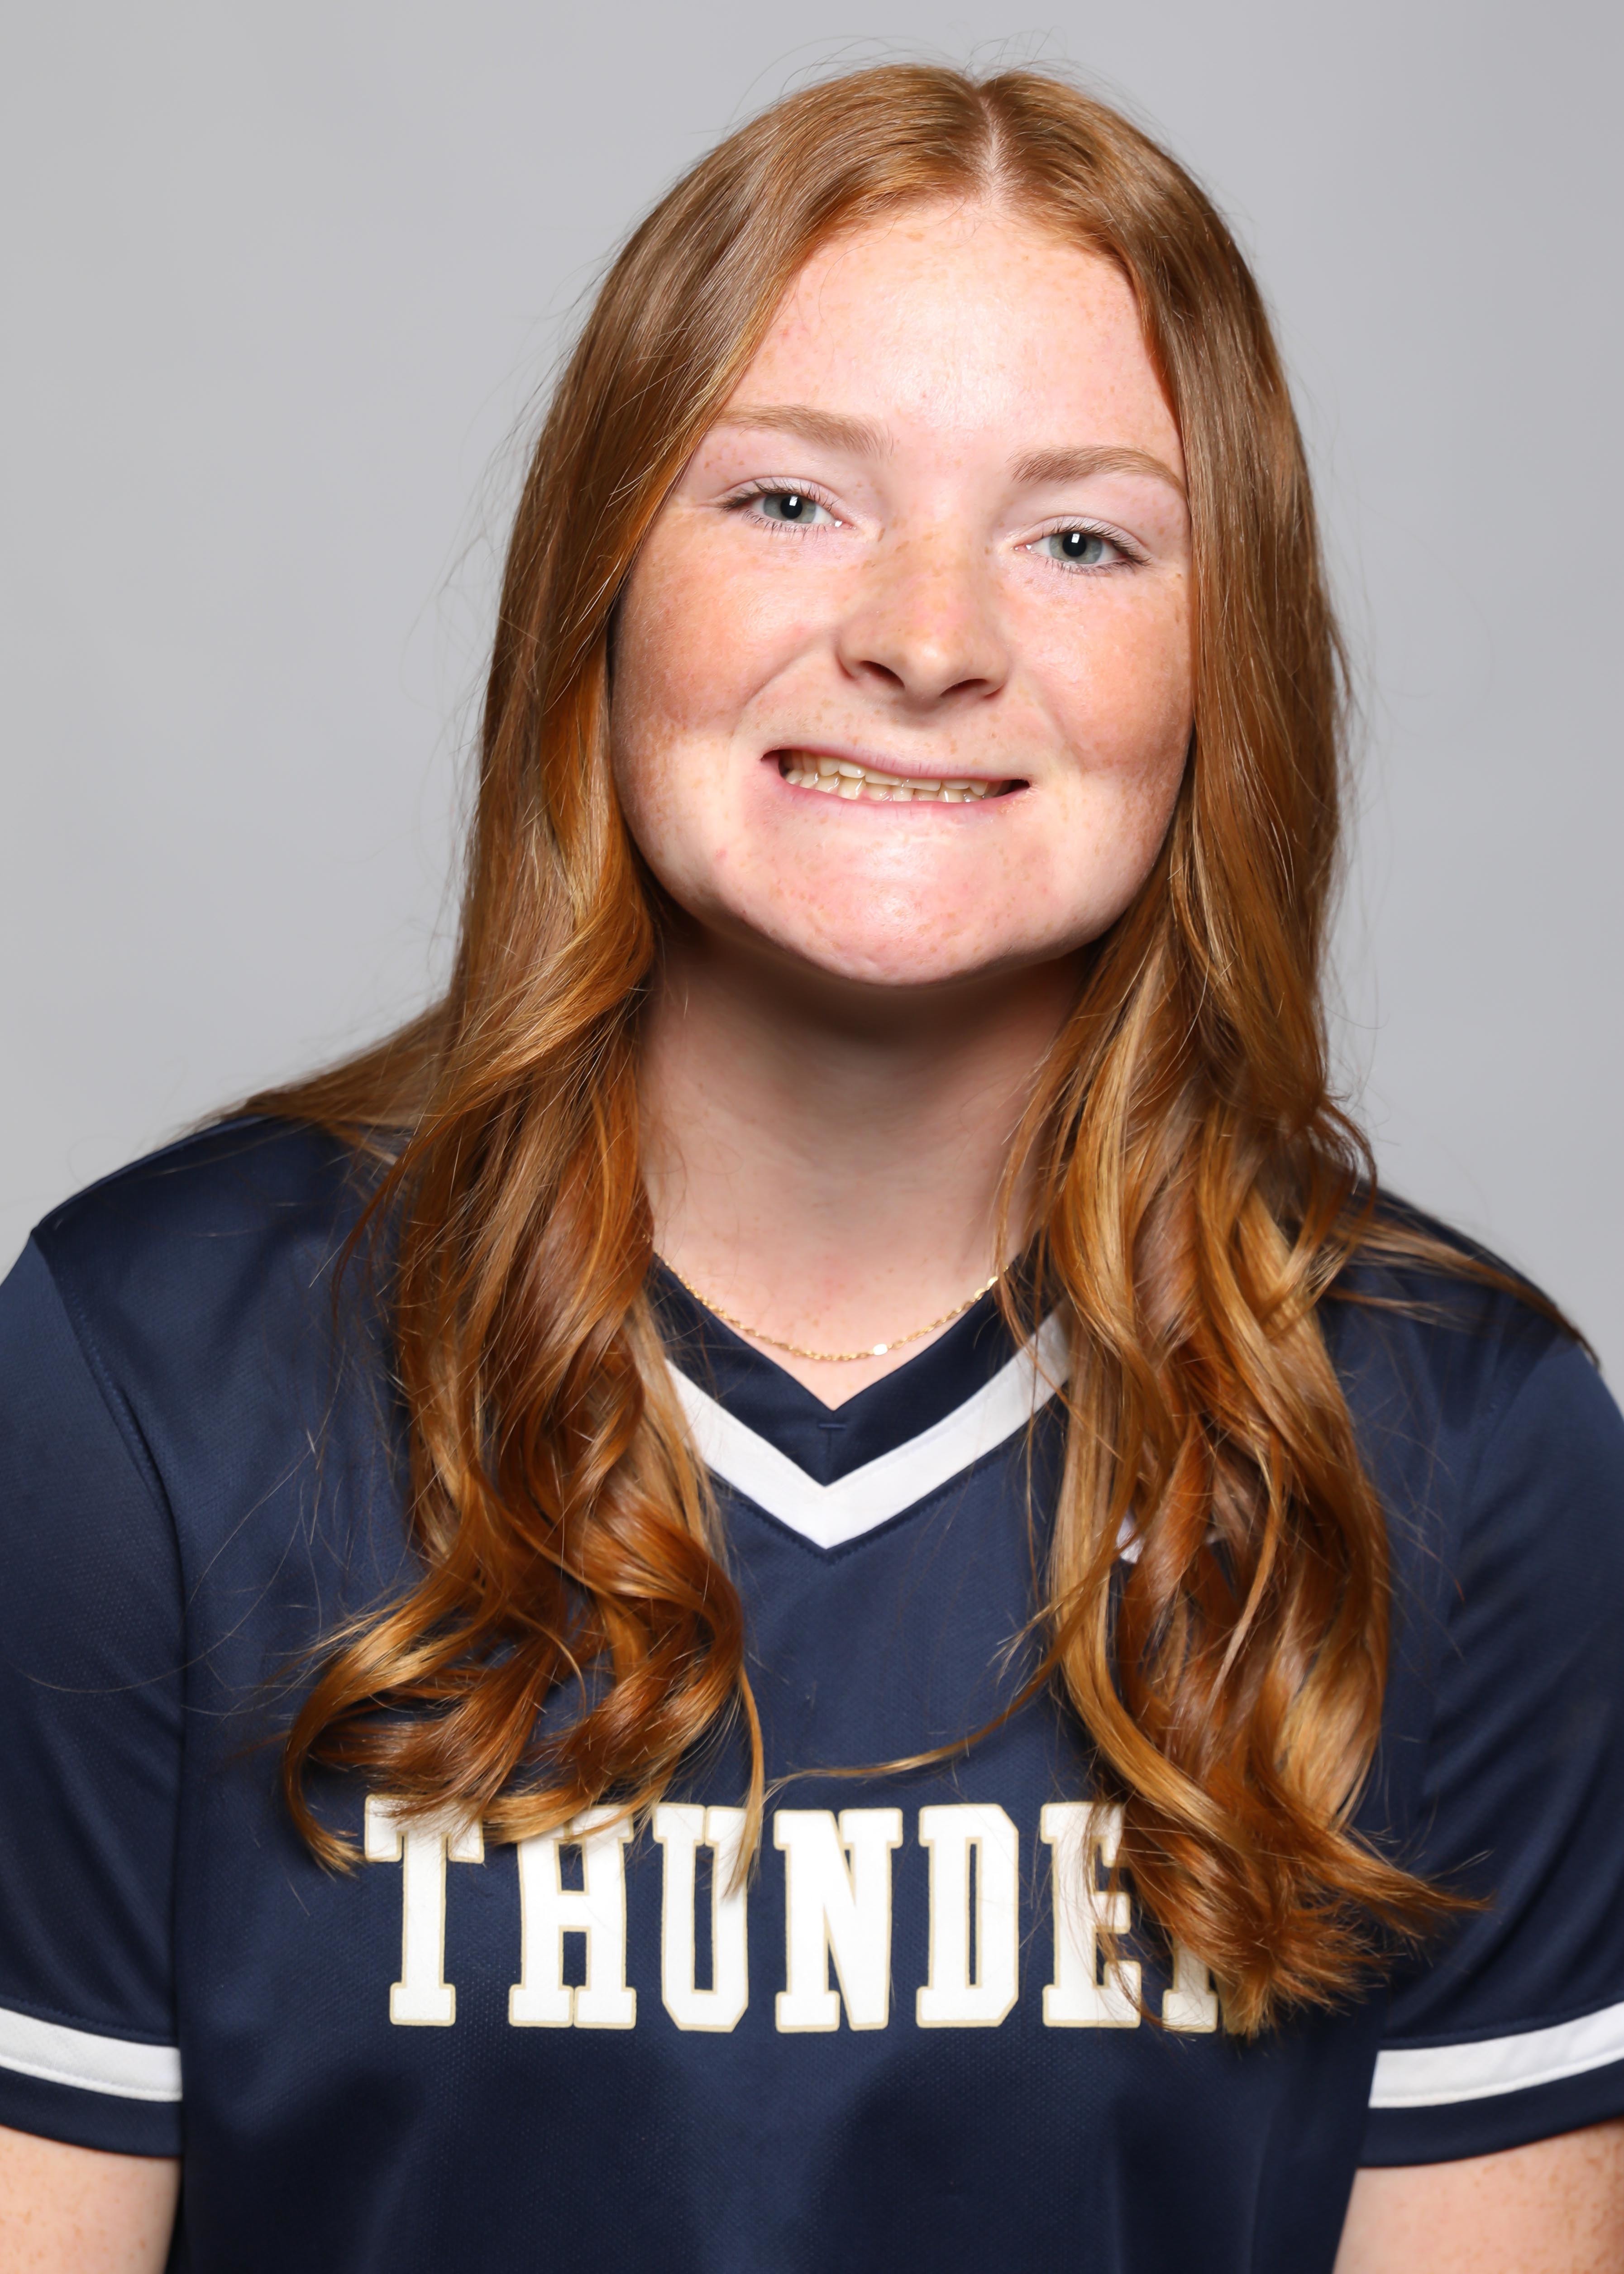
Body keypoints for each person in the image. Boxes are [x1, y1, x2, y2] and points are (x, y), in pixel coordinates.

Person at [1, 60, 1622, 2274]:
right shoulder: (141, 1376)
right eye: (790, 500)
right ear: (603, 574)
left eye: (1081, 538)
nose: (928, 639)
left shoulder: (1466, 1444)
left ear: (1220, 661)